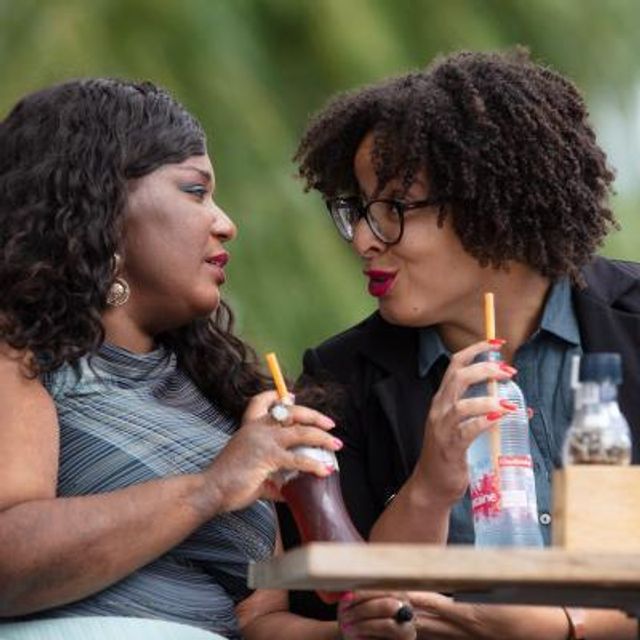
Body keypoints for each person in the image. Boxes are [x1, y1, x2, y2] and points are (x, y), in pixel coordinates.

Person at [0, 79, 416, 640]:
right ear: (102, 202)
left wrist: (349, 632)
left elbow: (255, 620)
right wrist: (210, 487)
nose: (225, 223)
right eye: (196, 191)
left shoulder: (221, 398)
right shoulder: (20, 354)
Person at [281, 49, 640, 639]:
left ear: (490, 202)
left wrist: (561, 627)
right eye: (358, 211)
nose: (364, 242)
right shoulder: (342, 379)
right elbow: (348, 613)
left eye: (394, 209)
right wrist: (429, 484)